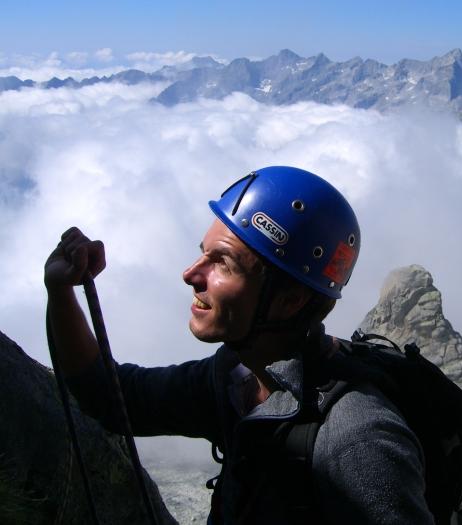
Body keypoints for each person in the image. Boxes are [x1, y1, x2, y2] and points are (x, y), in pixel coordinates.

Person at [45, 166, 434, 524]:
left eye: (223, 263)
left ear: (290, 299)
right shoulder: (236, 377)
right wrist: (62, 291)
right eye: (203, 253)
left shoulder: (357, 442)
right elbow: (110, 396)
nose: (190, 274)